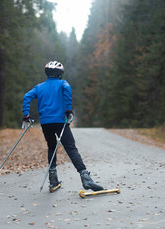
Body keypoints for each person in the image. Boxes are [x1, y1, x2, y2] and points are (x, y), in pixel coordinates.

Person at [22, 61, 104, 192]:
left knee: (51, 147)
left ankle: (53, 180)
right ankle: (85, 178)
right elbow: (67, 92)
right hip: (60, 121)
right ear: (60, 74)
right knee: (70, 147)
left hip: (45, 123)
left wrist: (26, 116)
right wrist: (68, 111)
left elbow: (26, 97)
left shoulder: (39, 87)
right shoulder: (63, 84)